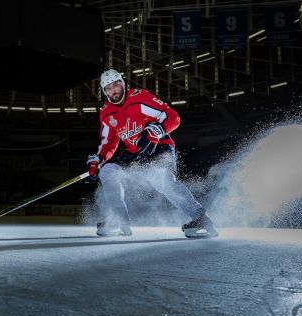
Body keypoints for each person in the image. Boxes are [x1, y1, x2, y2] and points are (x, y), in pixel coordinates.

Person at [87, 68, 218, 238]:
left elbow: (172, 117)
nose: (113, 91)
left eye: (116, 85)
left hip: (159, 147)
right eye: (108, 88)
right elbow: (109, 142)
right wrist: (99, 159)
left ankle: (201, 219)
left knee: (163, 181)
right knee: (107, 171)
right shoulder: (106, 112)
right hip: (134, 153)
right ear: (105, 92)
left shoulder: (139, 98)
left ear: (122, 84)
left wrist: (157, 130)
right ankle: (119, 221)